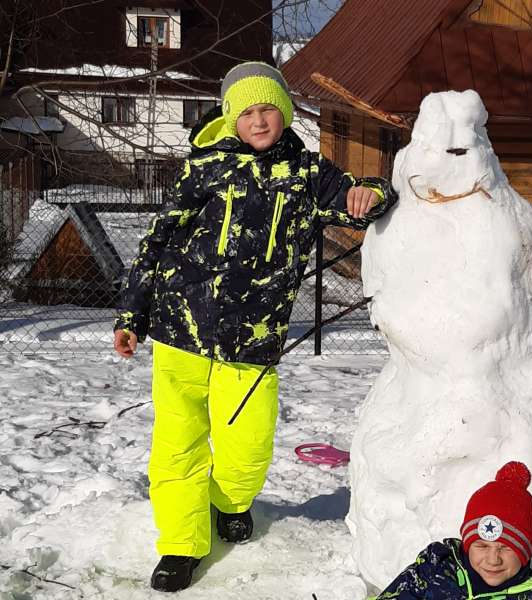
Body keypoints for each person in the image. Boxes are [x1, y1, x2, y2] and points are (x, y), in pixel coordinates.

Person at [112, 61, 396, 592]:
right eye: (247, 112)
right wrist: (133, 313)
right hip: (181, 330)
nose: (259, 121)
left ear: (285, 114)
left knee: (248, 446)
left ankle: (230, 502)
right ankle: (181, 543)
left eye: (268, 109)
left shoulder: (309, 174)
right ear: (231, 118)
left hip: (254, 340)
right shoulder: (203, 170)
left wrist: (375, 194)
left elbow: (364, 197)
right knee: (177, 445)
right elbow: (157, 242)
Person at [376, 462, 532, 600]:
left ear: (525, 553)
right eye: (482, 546)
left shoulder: (530, 595)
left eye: (505, 548)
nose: (493, 560)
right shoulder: (436, 569)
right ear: (467, 546)